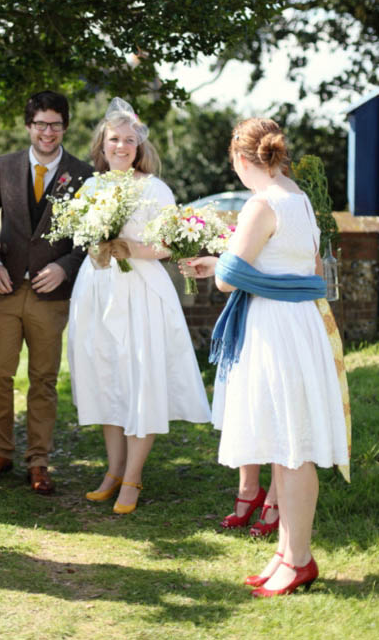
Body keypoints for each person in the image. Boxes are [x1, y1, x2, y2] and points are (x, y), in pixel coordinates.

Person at [185, 118, 349, 595]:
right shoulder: (297, 197)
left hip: (277, 330)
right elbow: (309, 267)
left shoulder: (261, 204)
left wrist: (219, 265)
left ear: (240, 159)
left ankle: (299, 559)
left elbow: (228, 278)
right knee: (285, 444)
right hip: (300, 325)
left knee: (292, 449)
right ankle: (285, 553)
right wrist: (230, 264)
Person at [67, 98, 212, 515]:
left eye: (129, 140)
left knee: (139, 378)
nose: (122, 146)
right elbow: (80, 235)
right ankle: (112, 471)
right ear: (102, 143)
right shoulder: (91, 187)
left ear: (139, 146)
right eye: (114, 139)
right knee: (106, 377)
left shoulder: (154, 188)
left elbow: (170, 245)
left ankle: (133, 477)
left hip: (140, 289)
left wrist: (131, 247)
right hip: (97, 287)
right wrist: (99, 243)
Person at [0, 91, 93, 494]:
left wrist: (64, 267)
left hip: (50, 294)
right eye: (40, 123)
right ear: (28, 126)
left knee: (43, 379)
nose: (48, 132)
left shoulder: (83, 174)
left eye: (55, 124)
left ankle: (39, 461)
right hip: (5, 289)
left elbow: (90, 239)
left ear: (65, 127)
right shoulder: (3, 166)